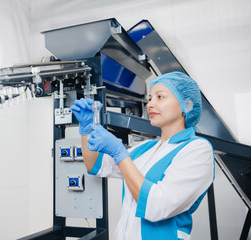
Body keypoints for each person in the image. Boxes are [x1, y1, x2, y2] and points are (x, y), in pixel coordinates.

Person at [70, 71, 214, 240]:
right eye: (150, 98)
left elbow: (157, 205)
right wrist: (86, 129)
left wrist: (119, 153)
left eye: (160, 97)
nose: (150, 104)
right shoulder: (147, 148)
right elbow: (95, 165)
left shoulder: (197, 149)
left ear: (187, 106)